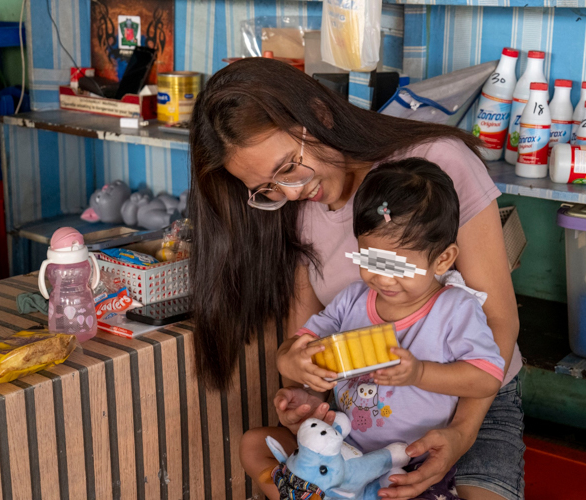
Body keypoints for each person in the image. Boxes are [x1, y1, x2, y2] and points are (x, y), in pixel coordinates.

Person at [189, 57, 524, 500]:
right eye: (267, 189)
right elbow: (304, 342)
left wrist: (461, 433)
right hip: (363, 417)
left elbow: (501, 323)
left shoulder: (436, 165)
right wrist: (302, 389)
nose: (290, 193)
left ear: (320, 115)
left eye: (288, 167)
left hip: (473, 399)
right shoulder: (295, 214)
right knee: (260, 450)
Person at [240, 159, 507, 500]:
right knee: (254, 444)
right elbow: (299, 344)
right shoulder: (352, 300)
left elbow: (486, 379)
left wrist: (419, 373)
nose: (381, 278)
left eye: (398, 266)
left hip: (409, 462)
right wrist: (291, 367)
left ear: (442, 259)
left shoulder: (455, 309)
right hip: (343, 449)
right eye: (370, 259)